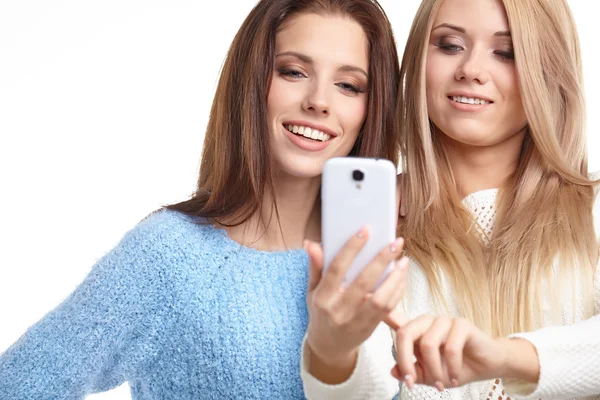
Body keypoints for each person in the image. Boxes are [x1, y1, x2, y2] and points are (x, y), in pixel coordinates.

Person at [0, 0, 404, 398]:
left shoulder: (386, 258)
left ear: (372, 108)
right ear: (252, 80)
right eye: (293, 71)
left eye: (348, 85)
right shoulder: (168, 257)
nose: (319, 100)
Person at [300, 0, 600, 399]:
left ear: (551, 72)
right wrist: (332, 350)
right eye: (449, 45)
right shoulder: (378, 216)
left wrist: (505, 357)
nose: (471, 70)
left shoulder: (592, 209)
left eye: (506, 52)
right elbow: (362, 393)